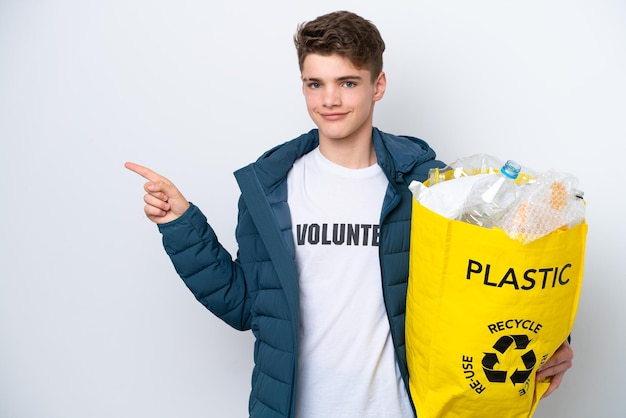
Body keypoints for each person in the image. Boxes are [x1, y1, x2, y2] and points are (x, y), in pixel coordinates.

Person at [126, 10, 573, 418]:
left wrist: (553, 344)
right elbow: (246, 305)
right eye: (315, 83)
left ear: (377, 85)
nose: (330, 100)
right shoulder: (270, 189)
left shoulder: (431, 189)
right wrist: (181, 225)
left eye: (348, 82)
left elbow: (485, 285)